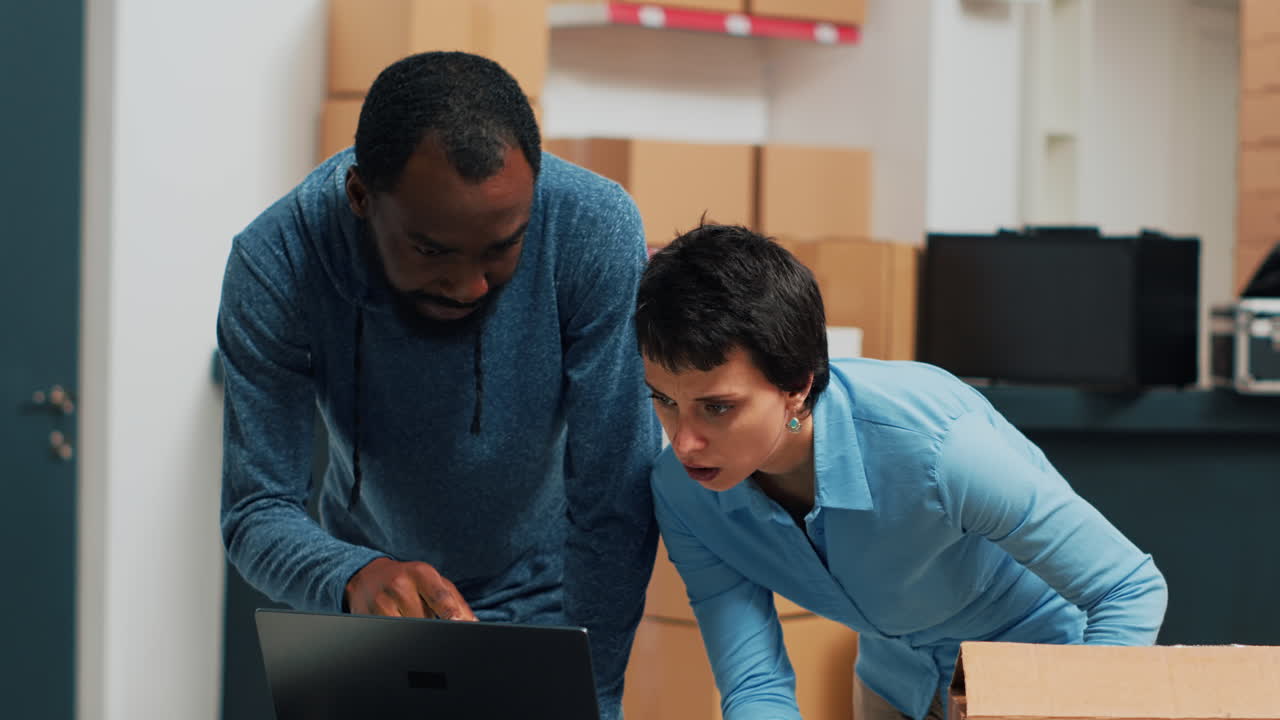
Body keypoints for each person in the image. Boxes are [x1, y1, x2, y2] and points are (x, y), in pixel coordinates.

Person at [217, 51, 660, 719]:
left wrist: (589, 692)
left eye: (501, 248)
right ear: (361, 196)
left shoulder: (591, 229)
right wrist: (350, 577)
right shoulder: (277, 261)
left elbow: (614, 497)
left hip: (549, 605)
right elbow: (256, 511)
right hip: (369, 610)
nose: (470, 285)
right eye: (432, 250)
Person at [634, 224, 1168, 720]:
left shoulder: (939, 450)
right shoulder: (683, 491)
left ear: (796, 384)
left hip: (1035, 673)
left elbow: (1126, 587)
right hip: (897, 686)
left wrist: (1081, 706)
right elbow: (755, 683)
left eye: (717, 407)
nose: (683, 441)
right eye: (663, 400)